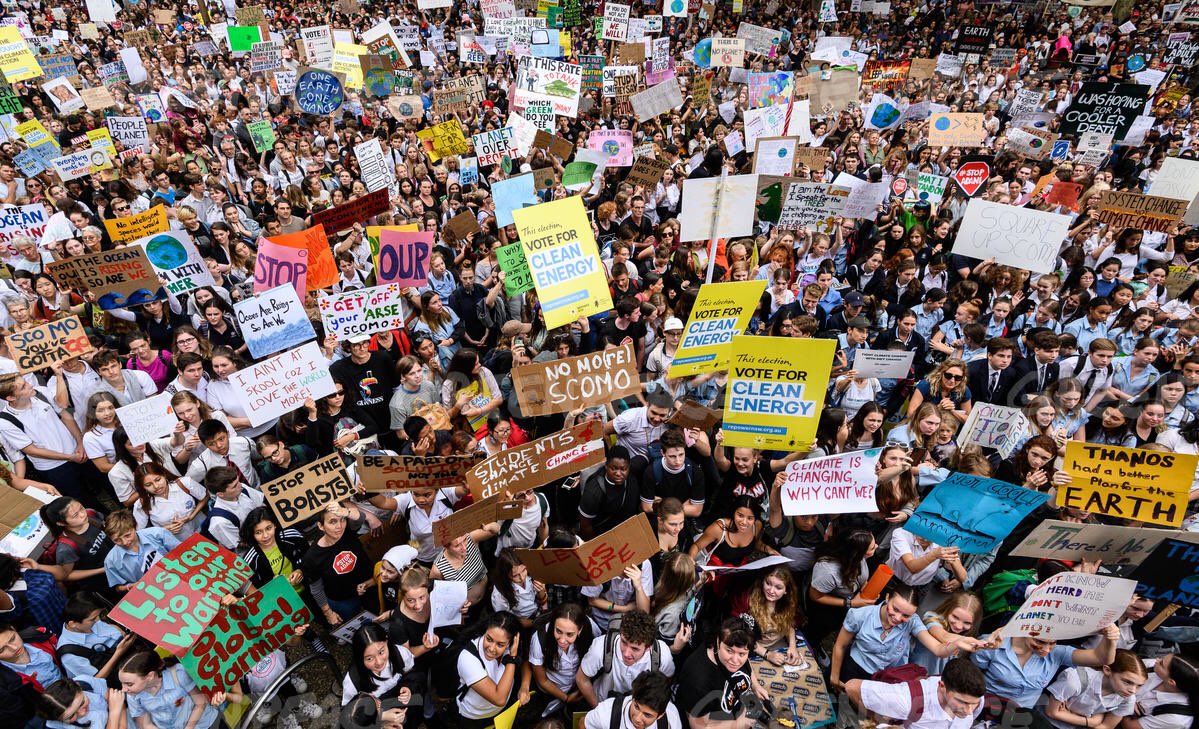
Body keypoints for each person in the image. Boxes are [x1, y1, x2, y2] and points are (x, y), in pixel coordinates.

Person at [673, 617, 771, 728]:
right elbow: (698, 725)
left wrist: (755, 685)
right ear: (718, 641)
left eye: (742, 654)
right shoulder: (697, 680)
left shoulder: (737, 651)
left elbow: (745, 661)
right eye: (729, 651)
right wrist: (736, 725)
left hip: (737, 705)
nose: (735, 661)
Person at [846, 657, 987, 729]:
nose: (969, 712)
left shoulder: (977, 698)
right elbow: (852, 687)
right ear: (942, 686)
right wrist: (876, 719)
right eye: (963, 702)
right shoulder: (906, 699)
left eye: (973, 704)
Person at [577, 609, 676, 707]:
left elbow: (665, 682)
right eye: (624, 642)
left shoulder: (662, 656)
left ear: (648, 647)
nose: (626, 653)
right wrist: (597, 708)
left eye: (635, 648)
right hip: (603, 702)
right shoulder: (600, 647)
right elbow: (581, 678)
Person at [117, 651, 224, 729]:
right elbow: (145, 724)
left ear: (150, 676)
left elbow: (201, 702)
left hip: (208, 724)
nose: (123, 689)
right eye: (121, 683)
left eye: (129, 684)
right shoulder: (132, 695)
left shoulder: (178, 674)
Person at [1043, 649, 1147, 729]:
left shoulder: (1127, 698)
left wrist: (1090, 721)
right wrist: (1092, 721)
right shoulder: (1075, 681)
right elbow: (1052, 712)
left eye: (1139, 685)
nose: (1133, 691)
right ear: (1107, 670)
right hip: (1045, 722)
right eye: (1127, 682)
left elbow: (1107, 726)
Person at [341, 622, 417, 705]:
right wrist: (380, 714)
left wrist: (409, 688)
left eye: (381, 652)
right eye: (370, 658)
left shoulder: (400, 654)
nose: (379, 662)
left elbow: (413, 674)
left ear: (386, 642)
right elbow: (349, 712)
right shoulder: (353, 682)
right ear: (360, 657)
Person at [583, 670, 683, 729]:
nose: (637, 719)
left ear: (660, 715)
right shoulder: (606, 712)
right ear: (633, 696)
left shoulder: (671, 720)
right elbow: (584, 724)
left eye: (647, 715)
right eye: (636, 706)